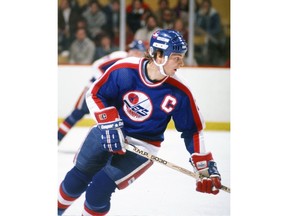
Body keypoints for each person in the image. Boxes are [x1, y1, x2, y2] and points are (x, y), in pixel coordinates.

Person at [57, 29, 222, 215]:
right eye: (177, 57)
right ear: (159, 55)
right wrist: (108, 122)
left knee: (98, 193)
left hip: (143, 144)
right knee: (75, 180)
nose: (181, 63)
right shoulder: (124, 69)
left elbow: (192, 130)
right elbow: (95, 93)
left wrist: (203, 166)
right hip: (108, 129)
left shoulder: (181, 91)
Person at [58, 40, 146, 144]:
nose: (136, 54)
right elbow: (96, 65)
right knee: (77, 113)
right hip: (93, 89)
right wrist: (104, 81)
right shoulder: (119, 56)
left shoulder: (138, 66)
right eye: (134, 51)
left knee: (109, 119)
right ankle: (57, 138)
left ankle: (103, 144)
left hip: (111, 94)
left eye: (139, 52)